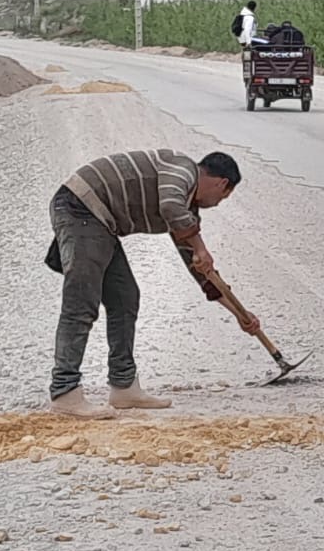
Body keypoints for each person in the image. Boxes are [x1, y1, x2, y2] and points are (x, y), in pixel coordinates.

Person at [44, 150, 260, 418]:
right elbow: (170, 205)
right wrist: (200, 246)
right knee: (81, 302)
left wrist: (240, 315)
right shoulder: (182, 171)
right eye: (224, 197)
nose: (218, 203)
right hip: (80, 207)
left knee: (125, 297)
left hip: (101, 224)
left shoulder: (186, 212)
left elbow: (203, 274)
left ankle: (123, 387)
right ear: (222, 184)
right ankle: (65, 392)